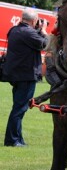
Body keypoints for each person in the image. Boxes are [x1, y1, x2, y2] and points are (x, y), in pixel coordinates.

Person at [2, 9, 48, 147]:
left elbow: (34, 43)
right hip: (26, 75)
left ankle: (18, 139)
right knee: (20, 108)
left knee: (19, 106)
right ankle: (12, 140)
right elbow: (44, 44)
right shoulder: (28, 33)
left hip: (15, 75)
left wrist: (38, 30)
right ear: (34, 21)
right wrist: (44, 30)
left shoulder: (14, 30)